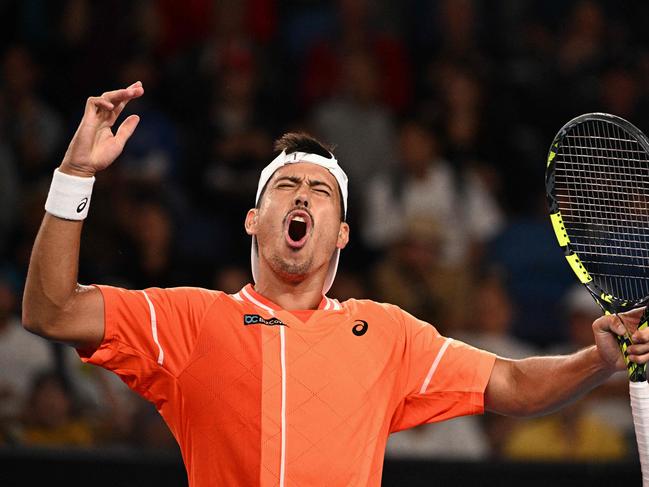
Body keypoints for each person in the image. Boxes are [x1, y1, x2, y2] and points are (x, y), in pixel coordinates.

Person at [21, 83, 649, 486]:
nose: (302, 194)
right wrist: (75, 173)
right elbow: (50, 310)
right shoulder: (186, 320)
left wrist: (595, 361)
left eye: (320, 190)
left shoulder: (386, 334)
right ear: (253, 218)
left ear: (342, 234)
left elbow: (511, 382)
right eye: (285, 186)